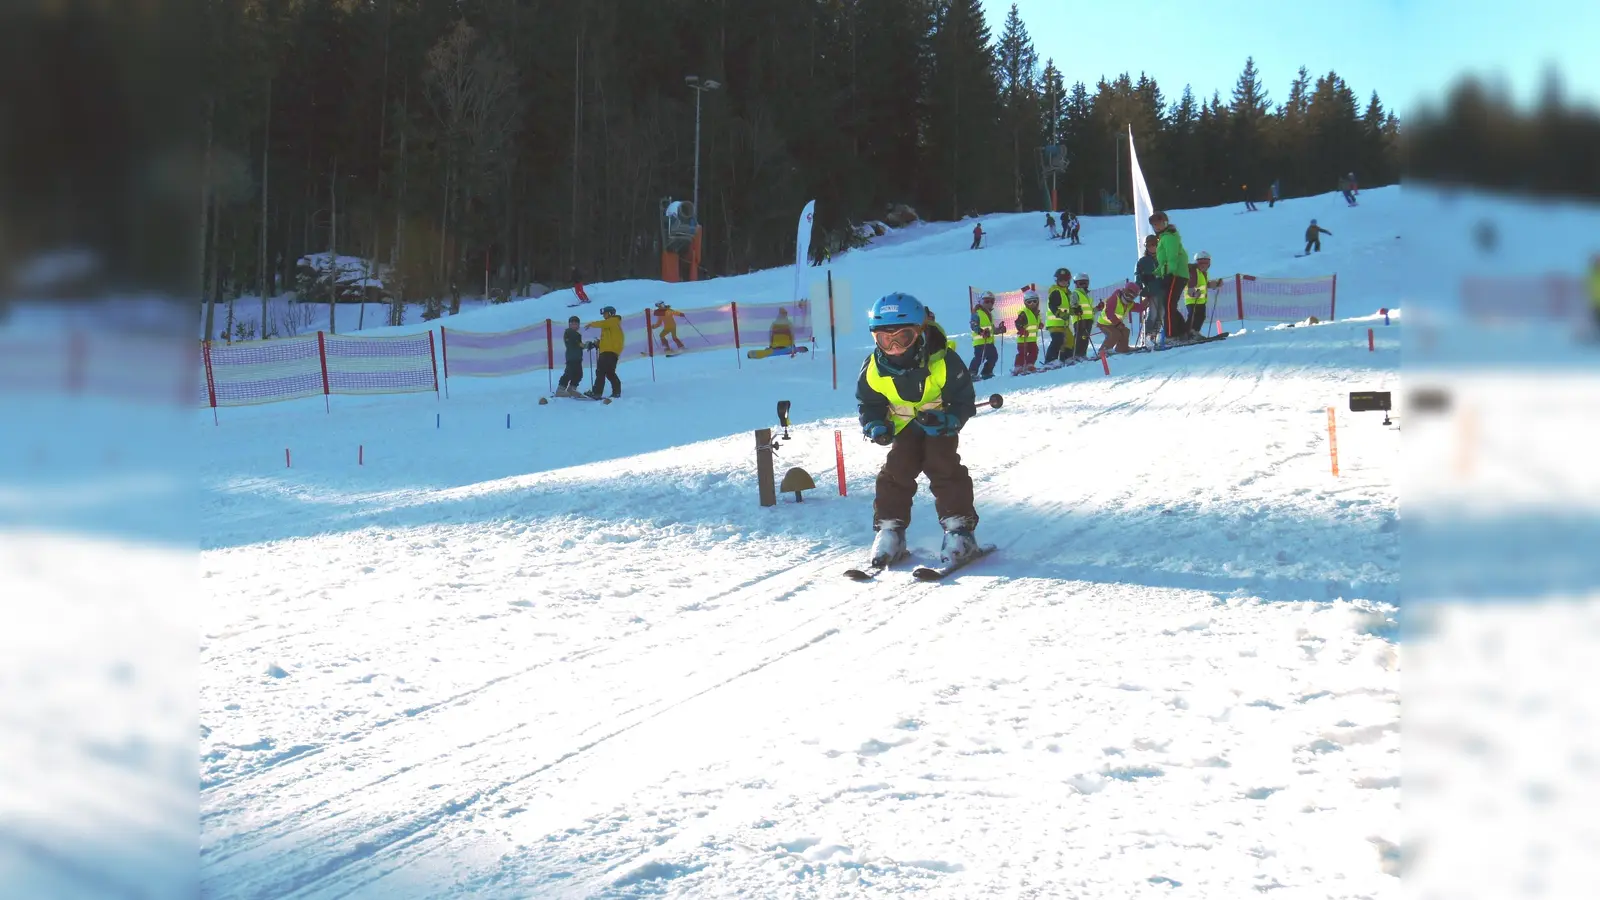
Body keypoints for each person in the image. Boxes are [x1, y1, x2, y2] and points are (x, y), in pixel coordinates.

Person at [857, 292, 981, 568]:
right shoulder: (874, 368)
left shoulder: (943, 360)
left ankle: (960, 529)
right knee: (897, 469)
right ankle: (890, 530)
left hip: (938, 424)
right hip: (903, 427)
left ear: (919, 333)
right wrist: (875, 425)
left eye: (903, 337)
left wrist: (949, 420)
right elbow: (869, 402)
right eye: (885, 339)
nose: (894, 347)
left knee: (942, 464)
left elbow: (963, 399)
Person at [1151, 210, 1189, 340]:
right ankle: (1184, 331)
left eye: (1159, 223)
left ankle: (1172, 335)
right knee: (1169, 305)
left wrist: (1168, 274)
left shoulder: (1168, 237)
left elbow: (1172, 258)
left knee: (1168, 305)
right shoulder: (1165, 237)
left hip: (1175, 274)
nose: (1157, 227)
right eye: (1154, 225)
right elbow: (1164, 262)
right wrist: (1154, 273)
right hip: (1174, 273)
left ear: (1165, 222)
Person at [583, 305, 624, 398]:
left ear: (610, 314)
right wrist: (598, 344)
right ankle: (616, 392)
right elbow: (609, 339)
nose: (603, 316)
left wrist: (591, 324)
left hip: (608, 352)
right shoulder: (611, 325)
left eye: (605, 313)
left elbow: (603, 323)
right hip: (611, 352)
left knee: (600, 372)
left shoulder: (612, 321)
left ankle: (597, 393)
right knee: (610, 373)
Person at [1095, 282, 1139, 354]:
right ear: (1124, 291)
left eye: (1132, 296)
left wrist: (1148, 300)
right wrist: (1118, 324)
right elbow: (1109, 312)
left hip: (1114, 323)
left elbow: (1140, 308)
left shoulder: (1129, 304)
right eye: (1128, 295)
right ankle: (1103, 351)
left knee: (1125, 331)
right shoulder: (1115, 298)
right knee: (1115, 334)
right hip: (1104, 323)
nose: (1129, 298)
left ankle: (1122, 348)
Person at [968, 290, 1002, 380]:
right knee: (979, 358)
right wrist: (981, 331)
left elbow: (992, 329)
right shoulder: (977, 313)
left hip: (989, 341)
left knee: (993, 356)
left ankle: (987, 372)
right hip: (980, 341)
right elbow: (973, 324)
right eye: (987, 301)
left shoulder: (989, 314)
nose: (989, 303)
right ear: (980, 301)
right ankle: (971, 373)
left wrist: (999, 330)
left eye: (992, 301)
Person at [1043, 267, 1074, 366]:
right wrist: (1059, 314)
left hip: (1064, 323)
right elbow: (1052, 305)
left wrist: (1075, 311)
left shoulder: (1067, 293)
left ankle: (1066, 358)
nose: (1063, 282)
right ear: (1057, 280)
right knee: (1058, 340)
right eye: (1061, 280)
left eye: (1065, 280)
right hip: (1055, 322)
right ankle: (1050, 360)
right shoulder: (1056, 292)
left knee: (1070, 340)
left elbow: (1067, 308)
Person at [1136, 233, 1161, 341]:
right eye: (1149, 245)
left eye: (1154, 244)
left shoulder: (1162, 258)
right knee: (1153, 313)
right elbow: (1138, 276)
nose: (1152, 247)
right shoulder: (1143, 261)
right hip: (1151, 290)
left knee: (1162, 313)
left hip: (1163, 289)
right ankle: (1145, 336)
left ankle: (1154, 336)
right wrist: (1140, 288)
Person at [1184, 251, 1215, 338]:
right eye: (1202, 263)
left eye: (1207, 263)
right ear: (1197, 263)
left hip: (1201, 300)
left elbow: (1204, 284)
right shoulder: (1193, 271)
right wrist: (1193, 292)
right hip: (1192, 299)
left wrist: (1214, 284)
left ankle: (1195, 332)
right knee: (1193, 316)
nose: (1204, 265)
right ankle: (1188, 333)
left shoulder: (1204, 273)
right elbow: (1191, 283)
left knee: (1201, 317)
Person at [1012, 287, 1042, 374]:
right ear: (1025, 303)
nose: (1032, 304)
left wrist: (1039, 324)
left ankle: (1029, 364)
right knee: (1022, 353)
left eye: (1034, 301)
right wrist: (1021, 329)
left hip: (1032, 339)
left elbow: (1035, 323)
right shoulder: (1024, 313)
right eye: (1029, 302)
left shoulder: (1037, 313)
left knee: (1034, 351)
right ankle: (1018, 366)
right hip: (1023, 339)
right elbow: (1018, 323)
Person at [556, 315, 585, 395]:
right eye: (572, 324)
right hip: (572, 357)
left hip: (577, 357)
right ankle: (560, 389)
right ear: (569, 325)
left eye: (576, 324)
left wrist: (586, 345)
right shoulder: (569, 332)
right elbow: (575, 342)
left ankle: (572, 388)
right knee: (569, 372)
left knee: (578, 373)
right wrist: (584, 345)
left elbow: (578, 345)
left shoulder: (576, 334)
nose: (574, 325)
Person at [1070, 272, 1096, 359]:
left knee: (1085, 337)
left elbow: (1090, 310)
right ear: (1076, 284)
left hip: (1088, 319)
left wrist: (1098, 308)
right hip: (1079, 318)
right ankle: (1076, 354)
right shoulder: (1075, 293)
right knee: (1079, 336)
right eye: (1080, 283)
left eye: (1085, 283)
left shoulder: (1087, 296)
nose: (1083, 285)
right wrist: (1076, 308)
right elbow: (1073, 303)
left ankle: (1082, 354)